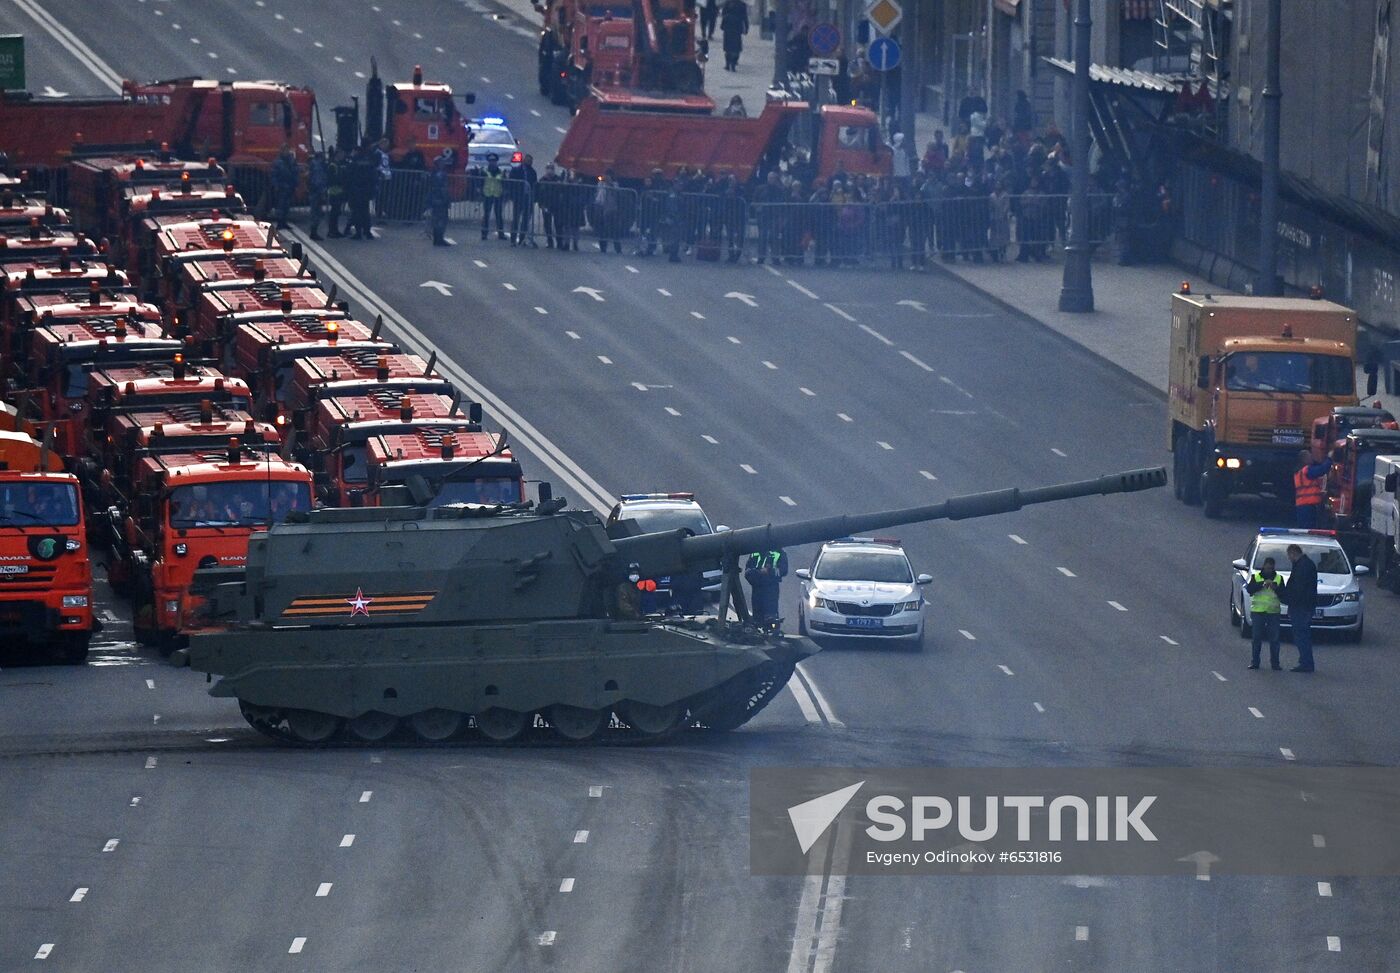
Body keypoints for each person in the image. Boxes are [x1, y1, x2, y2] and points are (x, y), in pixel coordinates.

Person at [1281, 544, 1318, 672]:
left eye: (1289, 555)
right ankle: (1305, 661)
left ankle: (1306, 663)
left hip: (1301, 607)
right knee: (1303, 634)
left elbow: (1298, 589)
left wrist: (1289, 601)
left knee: (1301, 635)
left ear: (1293, 553)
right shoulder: (1306, 564)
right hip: (1305, 605)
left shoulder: (1302, 566)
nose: (1289, 558)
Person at [1245, 556, 1284, 670]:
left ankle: (1275, 663)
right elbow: (1249, 590)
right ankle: (1255, 662)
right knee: (1256, 638)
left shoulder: (1278, 578)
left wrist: (1275, 587)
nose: (1269, 571)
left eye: (1271, 568)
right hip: (1258, 611)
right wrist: (1261, 585)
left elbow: (1284, 594)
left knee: (1274, 639)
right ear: (1263, 567)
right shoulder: (1256, 577)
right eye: (1267, 568)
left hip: (1273, 612)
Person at [744, 548, 788, 628]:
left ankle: (772, 633)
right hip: (757, 588)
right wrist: (756, 575)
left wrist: (769, 571)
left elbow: (783, 570)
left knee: (771, 616)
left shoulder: (779, 552)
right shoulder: (755, 552)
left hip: (771, 589)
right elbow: (747, 571)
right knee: (757, 616)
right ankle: (758, 632)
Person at [345, 145, 377, 240]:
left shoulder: (355, 159)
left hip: (357, 189)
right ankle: (367, 232)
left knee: (357, 211)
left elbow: (350, 174)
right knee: (365, 212)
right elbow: (373, 175)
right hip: (367, 190)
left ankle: (358, 233)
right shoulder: (370, 159)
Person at [508, 152, 539, 247]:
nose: (529, 162)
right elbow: (511, 183)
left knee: (525, 220)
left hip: (528, 199)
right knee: (516, 219)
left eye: (531, 160)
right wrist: (512, 195)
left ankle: (521, 239)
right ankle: (513, 239)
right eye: (527, 160)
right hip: (518, 197)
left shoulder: (532, 172)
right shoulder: (516, 170)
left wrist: (534, 199)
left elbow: (534, 186)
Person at [1293, 450, 1330, 528]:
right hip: (1308, 506)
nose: (1311, 457)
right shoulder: (1307, 471)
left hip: (1302, 506)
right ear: (1304, 459)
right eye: (1309, 456)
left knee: (1304, 530)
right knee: (1309, 530)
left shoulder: (1298, 472)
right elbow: (1322, 470)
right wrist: (1329, 459)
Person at [270, 144, 299, 230]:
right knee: (281, 206)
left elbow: (295, 171)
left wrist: (295, 183)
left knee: (287, 205)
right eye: (285, 150)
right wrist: (276, 185)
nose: (286, 152)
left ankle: (284, 222)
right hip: (282, 187)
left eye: (287, 150)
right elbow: (274, 175)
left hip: (290, 186)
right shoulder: (278, 162)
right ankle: (280, 223)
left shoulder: (291, 161)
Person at [426, 152, 452, 246]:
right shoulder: (439, 174)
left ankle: (438, 238)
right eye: (442, 162)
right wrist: (447, 200)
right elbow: (443, 188)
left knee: (437, 219)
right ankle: (439, 238)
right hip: (439, 199)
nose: (444, 164)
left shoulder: (433, 173)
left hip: (436, 199)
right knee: (441, 220)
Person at [537, 162, 564, 249]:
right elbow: (539, 194)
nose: (550, 170)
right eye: (548, 168)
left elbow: (562, 192)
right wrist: (541, 204)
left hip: (557, 205)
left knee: (558, 224)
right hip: (546, 205)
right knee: (547, 224)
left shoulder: (558, 179)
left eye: (551, 168)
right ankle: (550, 242)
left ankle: (559, 242)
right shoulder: (542, 180)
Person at [480, 153, 506, 241]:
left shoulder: (501, 172)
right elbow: (480, 182)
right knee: (486, 215)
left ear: (496, 162)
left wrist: (505, 193)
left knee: (498, 215)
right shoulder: (484, 171)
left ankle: (501, 234)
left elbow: (505, 183)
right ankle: (484, 234)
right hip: (487, 195)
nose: (492, 162)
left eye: (494, 161)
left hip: (498, 195)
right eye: (491, 161)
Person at [306, 151, 329, 241]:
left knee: (316, 212)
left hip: (314, 191)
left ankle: (313, 231)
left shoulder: (314, 165)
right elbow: (318, 180)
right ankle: (313, 231)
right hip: (316, 192)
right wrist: (322, 191)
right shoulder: (318, 167)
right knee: (316, 212)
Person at [720, 0, 748, 71]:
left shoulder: (727, 3)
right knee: (736, 46)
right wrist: (746, 28)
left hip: (728, 26)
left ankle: (727, 64)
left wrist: (722, 25)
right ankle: (733, 62)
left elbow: (723, 14)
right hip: (737, 27)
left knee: (728, 46)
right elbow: (745, 17)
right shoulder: (742, 5)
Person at [325, 148, 347, 238]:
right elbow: (331, 179)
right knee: (334, 213)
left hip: (339, 191)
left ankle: (335, 230)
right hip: (334, 192)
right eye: (341, 154)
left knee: (337, 212)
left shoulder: (339, 164)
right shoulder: (333, 165)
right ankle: (331, 231)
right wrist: (341, 180)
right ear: (337, 154)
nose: (343, 156)